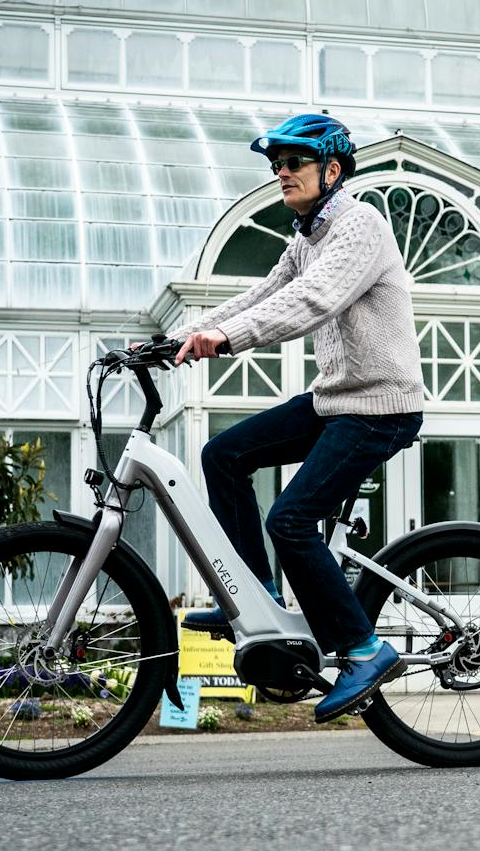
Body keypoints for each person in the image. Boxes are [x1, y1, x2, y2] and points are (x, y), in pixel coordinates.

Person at [163, 114, 424, 721]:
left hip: (381, 406)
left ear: (332, 171)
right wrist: (179, 336)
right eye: (275, 164)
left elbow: (311, 301)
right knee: (222, 455)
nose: (280, 173)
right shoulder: (307, 237)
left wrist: (224, 339)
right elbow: (263, 294)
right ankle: (253, 600)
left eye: (293, 163)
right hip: (336, 399)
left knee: (291, 521)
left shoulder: (360, 226)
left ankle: (363, 650)